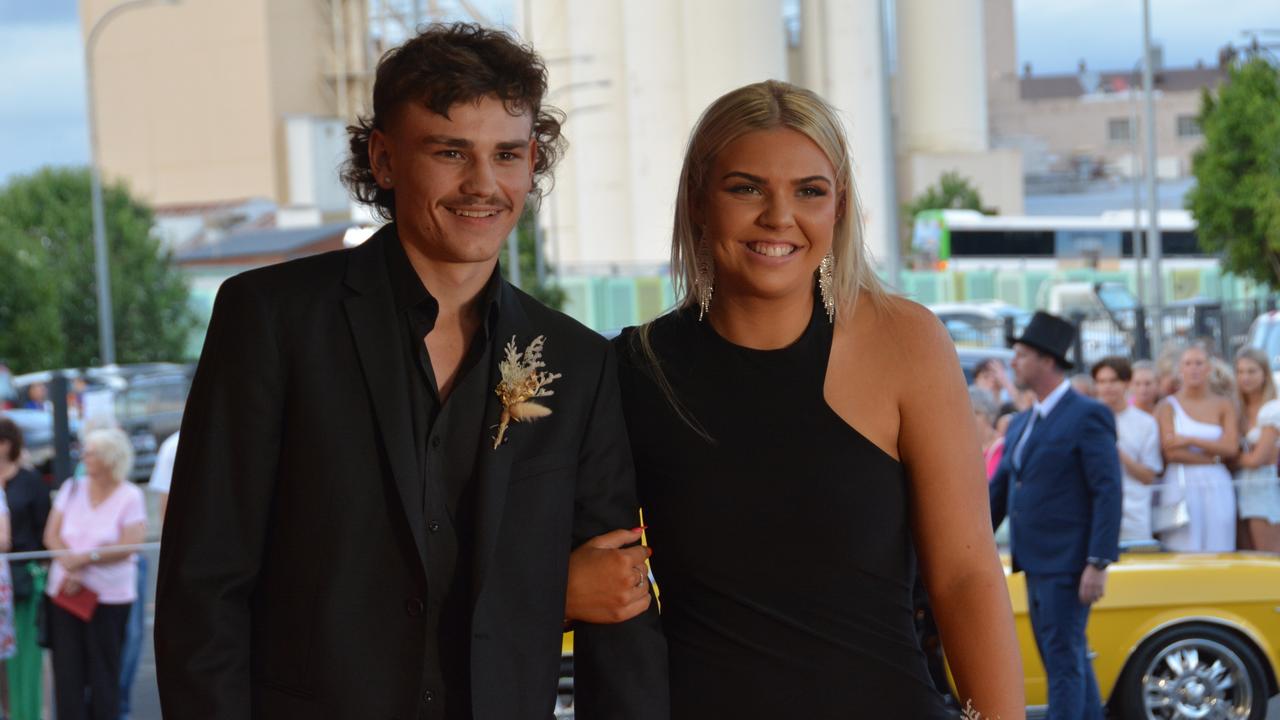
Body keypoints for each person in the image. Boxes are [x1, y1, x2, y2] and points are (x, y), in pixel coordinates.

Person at [154, 23, 666, 720]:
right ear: (385, 158)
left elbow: (618, 593)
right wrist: (548, 588)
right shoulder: (271, 319)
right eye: (451, 151)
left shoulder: (578, 360)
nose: (483, 185)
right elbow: (202, 587)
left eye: (507, 154)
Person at [598, 80, 1022, 718]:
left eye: (809, 191)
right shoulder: (634, 368)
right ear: (697, 202)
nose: (778, 216)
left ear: (839, 206)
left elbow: (965, 578)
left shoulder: (906, 341)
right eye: (746, 188)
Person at [989, 311, 1122, 720]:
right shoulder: (1022, 423)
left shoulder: (1086, 415)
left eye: (1022, 354)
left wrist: (1098, 561)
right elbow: (999, 491)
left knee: (1062, 658)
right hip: (1034, 558)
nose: (1014, 362)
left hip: (1069, 560)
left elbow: (1107, 490)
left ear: (1048, 360)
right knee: (1065, 654)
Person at [43, 428, 147, 720]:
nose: (84, 457)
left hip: (109, 597)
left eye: (91, 452)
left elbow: (130, 545)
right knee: (67, 674)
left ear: (110, 458)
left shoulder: (130, 495)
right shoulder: (71, 488)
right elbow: (51, 535)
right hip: (66, 592)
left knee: (105, 672)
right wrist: (70, 564)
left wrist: (86, 558)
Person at [1154, 344, 1239, 552]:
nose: (1194, 369)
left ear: (1209, 368)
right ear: (1180, 369)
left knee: (1220, 542)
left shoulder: (1224, 404)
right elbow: (1171, 451)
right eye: (1188, 363)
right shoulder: (1167, 406)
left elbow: (1230, 447)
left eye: (1199, 363)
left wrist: (1190, 440)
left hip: (1217, 483)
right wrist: (1213, 458)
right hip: (1181, 482)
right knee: (1183, 545)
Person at [0, 418, 50, 720]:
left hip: (21, 579)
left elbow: (43, 529)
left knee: (25, 660)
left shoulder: (29, 481)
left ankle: (27, 714)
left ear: (5, 444)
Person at [1091, 357, 1162, 542]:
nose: (1107, 387)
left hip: (1134, 517)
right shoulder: (1084, 421)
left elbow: (1148, 476)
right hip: (1093, 517)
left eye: (1113, 381)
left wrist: (1116, 452)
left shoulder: (1145, 423)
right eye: (1101, 382)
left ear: (1126, 383)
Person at [1231, 347, 1280, 552]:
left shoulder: (1273, 409)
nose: (1245, 377)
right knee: (1245, 555)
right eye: (1241, 372)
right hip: (1238, 487)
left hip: (1263, 488)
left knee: (1267, 557)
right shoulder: (1235, 408)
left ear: (1264, 374)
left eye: (1252, 371)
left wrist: (1226, 457)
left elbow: (1259, 459)